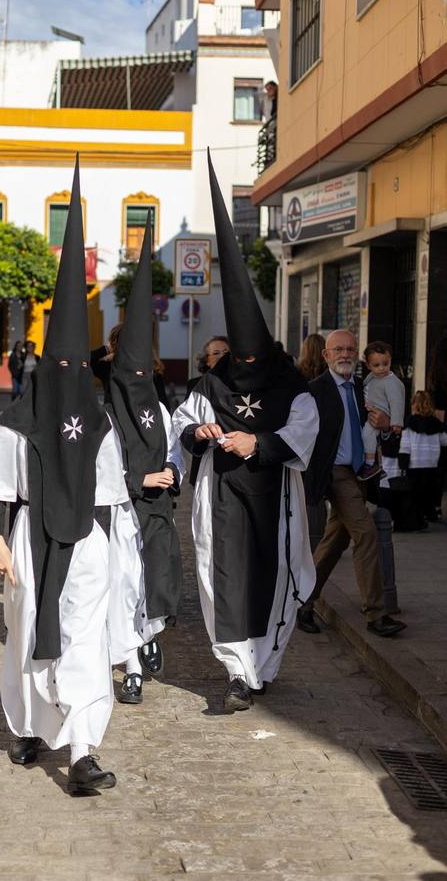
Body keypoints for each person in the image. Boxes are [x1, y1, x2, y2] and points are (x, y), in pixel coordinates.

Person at [0, 158, 126, 794]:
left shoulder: (100, 419)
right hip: (32, 539)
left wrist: (118, 557)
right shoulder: (20, 417)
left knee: (85, 644)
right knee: (30, 638)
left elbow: (113, 494)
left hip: (86, 539)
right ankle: (33, 728)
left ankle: (84, 752)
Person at [173, 152, 319, 713]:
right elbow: (182, 426)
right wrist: (203, 431)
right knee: (225, 577)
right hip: (222, 497)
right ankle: (237, 671)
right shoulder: (211, 383)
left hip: (275, 498)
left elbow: (303, 432)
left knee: (271, 576)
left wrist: (258, 443)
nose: (248, 365)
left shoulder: (290, 385)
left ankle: (264, 664)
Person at [107, 219, 185, 705]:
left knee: (155, 579)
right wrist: (138, 477)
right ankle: (131, 664)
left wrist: (171, 470)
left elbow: (173, 445)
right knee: (123, 586)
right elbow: (98, 465)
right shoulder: (104, 415)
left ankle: (151, 633)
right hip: (118, 513)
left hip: (156, 512)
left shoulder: (157, 408)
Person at [299, 329, 407, 638]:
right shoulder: (314, 391)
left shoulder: (364, 387)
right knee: (367, 534)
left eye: (350, 349)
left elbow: (380, 428)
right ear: (326, 355)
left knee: (336, 540)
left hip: (360, 472)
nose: (345, 355)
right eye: (339, 350)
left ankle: (304, 603)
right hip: (334, 473)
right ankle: (376, 615)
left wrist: (386, 426)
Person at [91, 325, 170, 410]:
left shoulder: (151, 371)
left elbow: (163, 405)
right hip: (119, 420)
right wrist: (107, 349)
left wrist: (109, 348)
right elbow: (87, 360)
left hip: (140, 420)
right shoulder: (109, 368)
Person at [185, 336, 230, 486]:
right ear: (207, 360)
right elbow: (188, 421)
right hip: (208, 454)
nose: (222, 356)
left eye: (226, 352)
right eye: (216, 353)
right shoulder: (195, 385)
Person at [399, 391, 447, 528]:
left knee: (414, 494)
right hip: (432, 463)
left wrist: (403, 462)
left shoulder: (410, 422)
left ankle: (417, 520)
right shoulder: (436, 423)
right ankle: (429, 514)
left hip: (415, 463)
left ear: (415, 404)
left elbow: (406, 444)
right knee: (428, 492)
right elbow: (444, 441)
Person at [359, 341, 405, 481]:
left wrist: (396, 422)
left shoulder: (393, 382)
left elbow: (397, 402)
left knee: (368, 435)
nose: (382, 368)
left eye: (386, 363)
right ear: (368, 365)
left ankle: (370, 464)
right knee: (369, 438)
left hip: (379, 414)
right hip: (371, 412)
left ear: (390, 360)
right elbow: (365, 385)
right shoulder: (372, 376)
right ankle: (377, 466)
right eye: (376, 365)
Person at [427, 335, 447, 514]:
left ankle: (435, 505)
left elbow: (438, 410)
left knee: (439, 469)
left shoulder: (435, 375)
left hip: (441, 429)